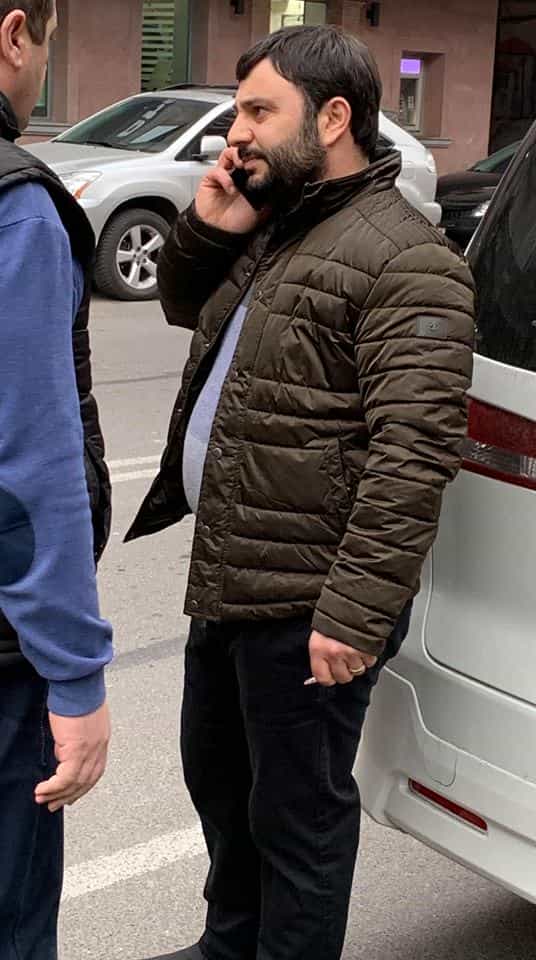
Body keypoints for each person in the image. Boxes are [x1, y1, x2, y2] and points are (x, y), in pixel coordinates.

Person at [127, 25, 475, 960]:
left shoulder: (408, 258)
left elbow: (415, 451)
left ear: (332, 118)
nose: (233, 132)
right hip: (235, 572)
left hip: (311, 604)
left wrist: (354, 615)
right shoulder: (279, 222)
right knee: (222, 788)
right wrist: (211, 222)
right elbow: (185, 305)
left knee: (299, 823)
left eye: (256, 111)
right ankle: (230, 943)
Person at [0, 2, 113, 957]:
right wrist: (74, 676)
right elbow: (33, 469)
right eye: (45, 46)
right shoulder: (17, 209)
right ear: (13, 35)